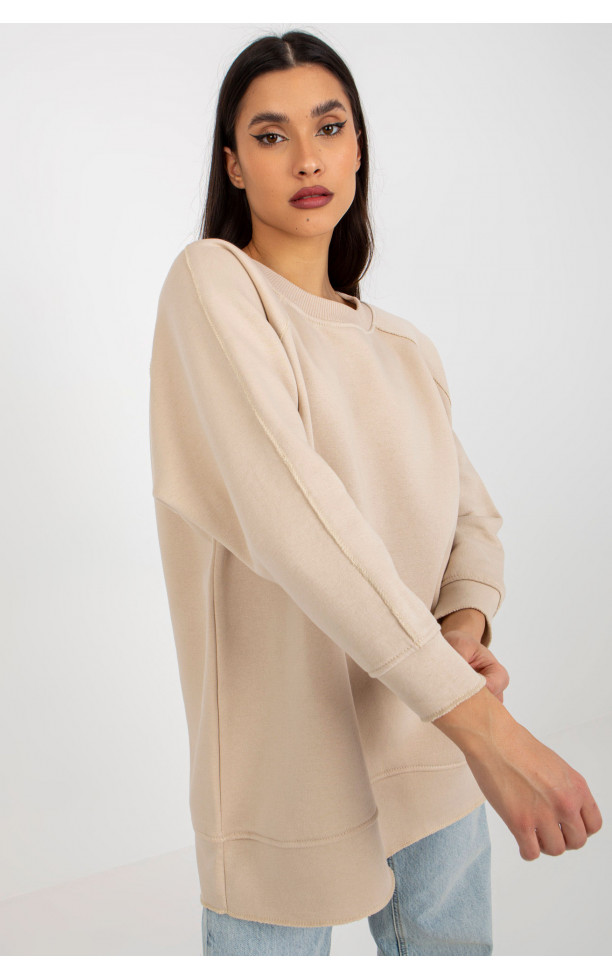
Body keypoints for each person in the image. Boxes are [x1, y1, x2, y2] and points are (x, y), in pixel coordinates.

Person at [149, 30, 602, 956]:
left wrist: (463, 630)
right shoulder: (214, 286)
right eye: (270, 136)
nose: (307, 157)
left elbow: (472, 521)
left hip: (433, 746)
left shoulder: (402, 344)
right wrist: (490, 728)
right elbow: (295, 521)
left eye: (329, 126)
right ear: (232, 165)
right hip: (291, 770)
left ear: (358, 146)